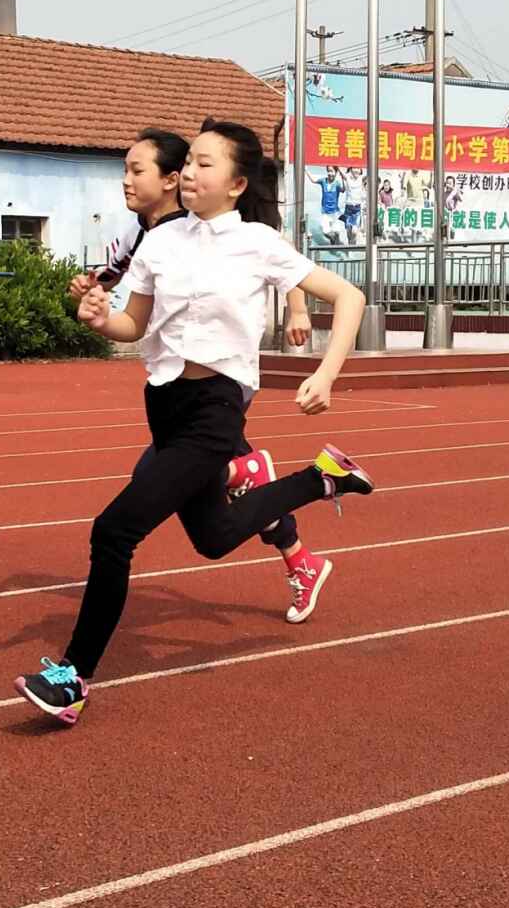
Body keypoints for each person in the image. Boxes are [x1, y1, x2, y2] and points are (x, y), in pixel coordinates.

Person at [19, 119, 375, 725]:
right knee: (213, 537)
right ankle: (321, 479)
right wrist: (99, 319)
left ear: (236, 183)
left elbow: (349, 297)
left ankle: (74, 678)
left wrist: (326, 374)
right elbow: (133, 326)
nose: (190, 173)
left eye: (205, 164)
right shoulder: (160, 243)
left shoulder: (257, 243)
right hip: (164, 404)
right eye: (189, 164)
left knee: (114, 532)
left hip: (215, 408)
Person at [68, 129, 324, 615]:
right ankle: (298, 548)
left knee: (141, 503)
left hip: (217, 386)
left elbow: (276, 259)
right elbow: (113, 290)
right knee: (212, 531)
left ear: (169, 179)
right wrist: (90, 296)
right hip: (167, 392)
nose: (125, 181)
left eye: (136, 170)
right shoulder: (142, 235)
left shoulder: (216, 226)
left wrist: (297, 308)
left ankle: (241, 468)